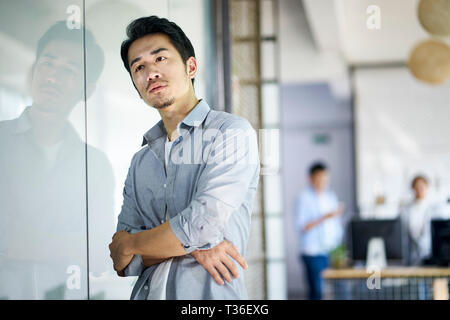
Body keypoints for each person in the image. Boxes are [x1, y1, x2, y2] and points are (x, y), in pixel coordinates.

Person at [108, 16, 260, 300]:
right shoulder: (141, 162)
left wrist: (135, 243)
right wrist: (195, 245)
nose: (151, 72)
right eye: (139, 66)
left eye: (160, 58)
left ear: (191, 66)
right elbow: (123, 262)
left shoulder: (230, 133)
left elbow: (203, 223)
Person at [0, 21, 115, 299]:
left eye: (69, 70)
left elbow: (102, 253)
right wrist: (66, 244)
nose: (52, 77)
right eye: (47, 64)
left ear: (87, 90)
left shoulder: (95, 165)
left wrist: (25, 245)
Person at [295, 162, 344, 300]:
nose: (323, 181)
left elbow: (335, 223)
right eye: (319, 178)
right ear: (310, 178)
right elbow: (302, 226)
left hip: (332, 250)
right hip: (313, 252)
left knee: (338, 290)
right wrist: (325, 217)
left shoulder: (331, 196)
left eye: (325, 178)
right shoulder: (304, 198)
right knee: (317, 291)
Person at [400, 175, 446, 266]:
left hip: (430, 255)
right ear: (413, 189)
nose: (419, 190)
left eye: (422, 187)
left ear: (427, 188)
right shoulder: (406, 210)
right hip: (412, 256)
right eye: (416, 187)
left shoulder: (434, 209)